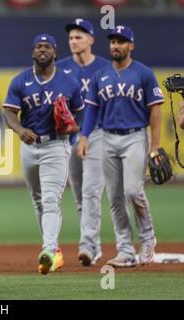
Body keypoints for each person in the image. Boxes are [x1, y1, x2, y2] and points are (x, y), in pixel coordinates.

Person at [77, 26, 164, 267]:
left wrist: (154, 146)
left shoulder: (143, 74)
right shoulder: (100, 76)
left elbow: (155, 109)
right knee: (114, 198)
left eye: (121, 42)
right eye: (113, 41)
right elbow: (92, 108)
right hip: (107, 137)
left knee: (132, 191)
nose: (116, 45)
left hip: (135, 136)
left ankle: (147, 239)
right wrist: (84, 137)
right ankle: (125, 250)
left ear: (131, 46)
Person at [3, 34, 84, 275]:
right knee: (38, 200)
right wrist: (19, 129)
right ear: (32, 52)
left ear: (55, 53)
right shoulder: (21, 81)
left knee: (50, 199)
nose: (42, 50)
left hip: (56, 146)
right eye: (38, 46)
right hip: (29, 146)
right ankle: (55, 249)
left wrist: (74, 127)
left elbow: (81, 114)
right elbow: (8, 112)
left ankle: (49, 250)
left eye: (47, 46)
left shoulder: (69, 82)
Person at [56, 19, 111, 266]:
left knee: (90, 192)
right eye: (71, 37)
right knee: (79, 196)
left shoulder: (106, 67)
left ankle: (88, 246)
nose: (73, 41)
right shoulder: (60, 68)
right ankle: (94, 245)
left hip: (97, 134)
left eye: (79, 36)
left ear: (91, 40)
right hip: (70, 137)